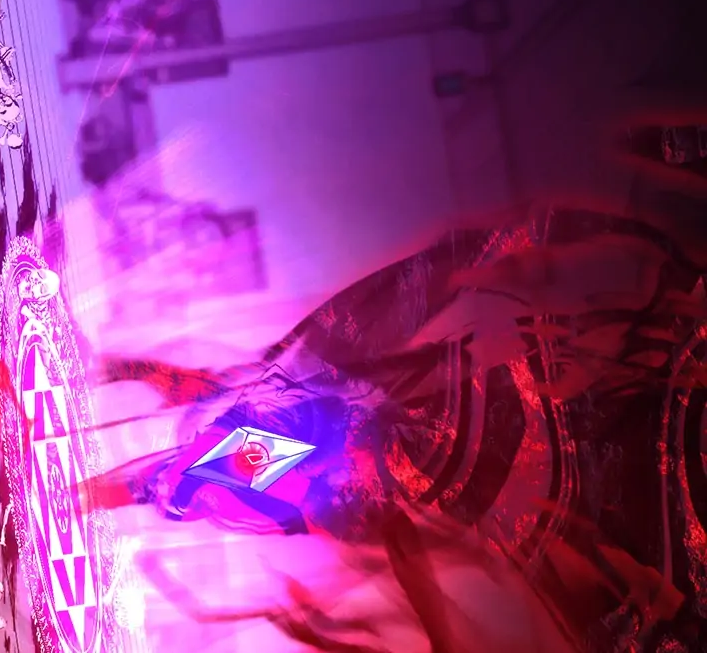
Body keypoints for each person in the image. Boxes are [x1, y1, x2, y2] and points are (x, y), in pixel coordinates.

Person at [85, 205, 707, 652]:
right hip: (496, 469)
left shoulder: (299, 425)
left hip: (503, 439)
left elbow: (235, 428)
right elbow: (398, 540)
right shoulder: (311, 464)